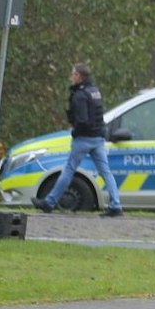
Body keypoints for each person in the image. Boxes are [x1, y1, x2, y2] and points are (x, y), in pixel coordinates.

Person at [34, 62, 124, 217]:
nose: (71, 77)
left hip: (83, 138)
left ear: (79, 76)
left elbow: (82, 119)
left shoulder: (80, 95)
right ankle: (116, 205)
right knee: (105, 172)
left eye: (73, 74)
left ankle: (49, 202)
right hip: (98, 138)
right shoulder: (94, 91)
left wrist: (75, 131)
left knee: (69, 169)